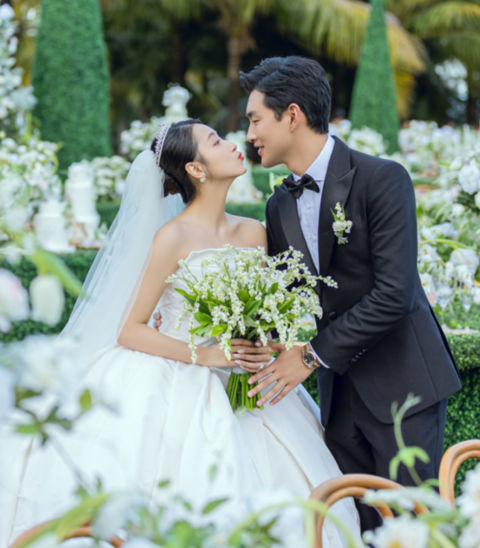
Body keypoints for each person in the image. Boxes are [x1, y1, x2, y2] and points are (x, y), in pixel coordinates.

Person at [2, 120, 360, 548]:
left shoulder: (253, 231)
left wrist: (263, 344)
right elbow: (130, 330)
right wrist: (207, 357)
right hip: (178, 373)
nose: (233, 144)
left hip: (245, 379)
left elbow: (262, 318)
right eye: (216, 141)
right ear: (196, 169)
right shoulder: (172, 237)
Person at [234, 56, 462, 531]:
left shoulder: (383, 178)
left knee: (412, 526)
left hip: (402, 384)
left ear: (292, 116)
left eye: (255, 120)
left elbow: (395, 294)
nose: (249, 134)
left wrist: (309, 355)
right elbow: (287, 292)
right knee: (355, 528)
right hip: (338, 398)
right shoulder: (278, 205)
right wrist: (262, 339)